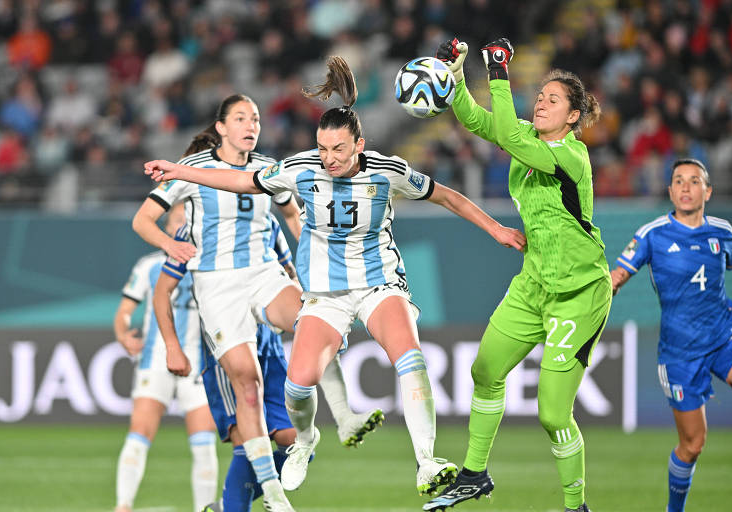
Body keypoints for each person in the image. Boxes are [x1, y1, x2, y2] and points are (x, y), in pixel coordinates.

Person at [142, 56, 526, 499]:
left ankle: (427, 462)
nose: (329, 159)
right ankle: (305, 441)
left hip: (378, 283)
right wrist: (177, 169)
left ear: (359, 144)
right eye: (323, 149)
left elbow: (450, 198)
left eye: (338, 150)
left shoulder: (389, 172)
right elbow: (243, 182)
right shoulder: (299, 168)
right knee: (298, 385)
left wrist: (496, 228)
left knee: (410, 357)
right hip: (325, 295)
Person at [133, 94, 381, 512]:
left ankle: (342, 416)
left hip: (263, 273)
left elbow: (291, 216)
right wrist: (167, 246)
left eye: (257, 119)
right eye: (241, 118)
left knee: (313, 318)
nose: (251, 125)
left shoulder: (268, 169)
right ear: (221, 128)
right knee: (247, 385)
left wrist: (322, 257)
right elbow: (143, 219)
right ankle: (275, 493)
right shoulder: (193, 169)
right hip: (216, 286)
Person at [425, 38, 611, 512]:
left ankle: (576, 505)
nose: (542, 103)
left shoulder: (572, 156)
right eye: (541, 96)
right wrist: (456, 74)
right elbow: (474, 118)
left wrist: (500, 74)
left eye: (554, 99)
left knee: (552, 413)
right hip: (534, 284)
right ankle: (474, 475)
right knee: (484, 370)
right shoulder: (524, 134)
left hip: (579, 293)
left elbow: (507, 133)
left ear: (573, 116)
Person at [611, 158, 732, 512]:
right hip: (680, 354)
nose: (686, 187)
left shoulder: (723, 231)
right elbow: (616, 277)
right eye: (679, 181)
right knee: (692, 445)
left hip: (726, 338)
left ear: (708, 191)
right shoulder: (651, 234)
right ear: (670, 191)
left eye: (694, 181)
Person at [155, 217, 295, 512]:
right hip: (226, 352)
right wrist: (173, 347)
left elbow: (289, 271)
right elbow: (162, 290)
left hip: (269, 349)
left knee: (296, 443)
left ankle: (228, 505)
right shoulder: (194, 227)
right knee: (244, 444)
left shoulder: (267, 221)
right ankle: (236, 505)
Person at [113, 203, 217, 512]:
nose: (182, 226)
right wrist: (122, 334)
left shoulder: (210, 265)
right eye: (177, 219)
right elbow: (124, 312)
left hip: (198, 364)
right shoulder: (149, 265)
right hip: (155, 360)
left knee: (203, 441)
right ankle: (123, 505)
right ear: (167, 226)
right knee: (140, 432)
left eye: (188, 220)